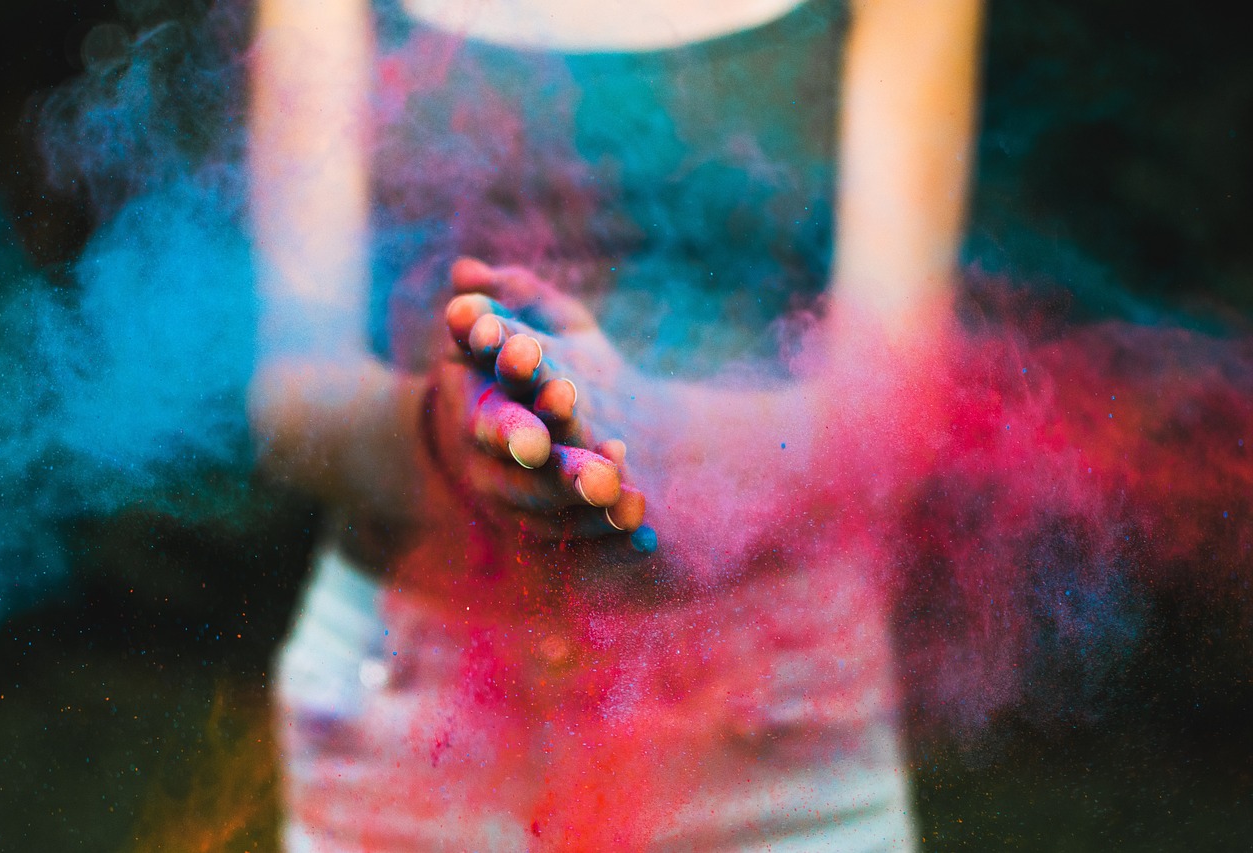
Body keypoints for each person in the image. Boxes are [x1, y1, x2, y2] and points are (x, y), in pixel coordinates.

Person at [248, 0, 985, 848]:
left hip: (769, 740)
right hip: (412, 736)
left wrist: (649, 431)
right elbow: (294, 401)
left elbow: (889, 422)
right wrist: (441, 436)